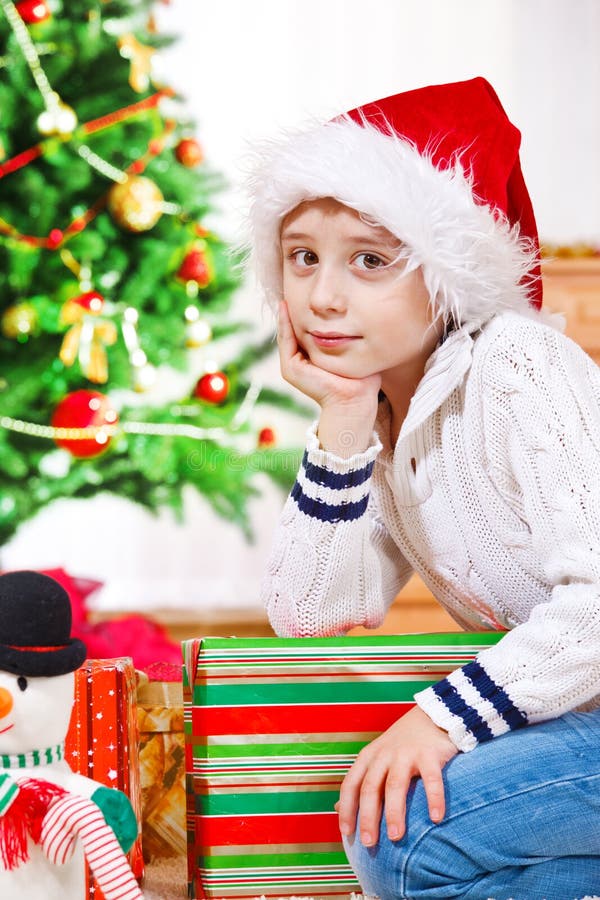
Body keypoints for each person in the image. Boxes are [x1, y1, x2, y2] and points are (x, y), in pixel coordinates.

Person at [244, 77, 600, 899]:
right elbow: (310, 616)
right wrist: (341, 424)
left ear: (446, 271)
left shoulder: (515, 361)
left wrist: (441, 719)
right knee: (396, 838)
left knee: (407, 840)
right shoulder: (387, 413)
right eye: (303, 257)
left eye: (370, 260)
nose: (323, 296)